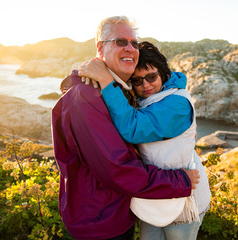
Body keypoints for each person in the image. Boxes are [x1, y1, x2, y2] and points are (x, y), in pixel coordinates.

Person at [52, 16, 200, 240]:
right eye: (121, 41)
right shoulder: (86, 96)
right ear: (100, 48)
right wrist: (179, 181)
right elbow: (118, 169)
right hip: (101, 222)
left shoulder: (118, 90)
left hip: (117, 211)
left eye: (134, 43)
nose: (130, 48)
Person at [78, 41, 211, 240]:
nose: (145, 85)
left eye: (151, 77)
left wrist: (106, 81)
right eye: (137, 81)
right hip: (155, 193)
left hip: (184, 198)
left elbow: (134, 129)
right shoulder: (145, 98)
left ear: (163, 74)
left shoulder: (177, 103)